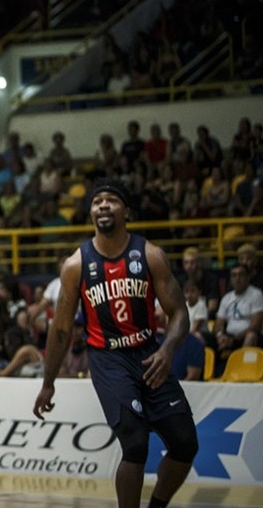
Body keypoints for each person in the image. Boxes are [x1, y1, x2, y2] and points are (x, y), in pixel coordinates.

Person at [33, 178, 197, 508]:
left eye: (112, 200)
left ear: (127, 212)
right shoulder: (76, 265)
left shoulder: (151, 255)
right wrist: (48, 382)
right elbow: (61, 330)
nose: (103, 205)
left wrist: (167, 349)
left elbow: (179, 313)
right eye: (97, 202)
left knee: (185, 444)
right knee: (135, 444)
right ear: (91, 213)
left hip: (150, 352)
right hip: (108, 359)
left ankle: (158, 504)